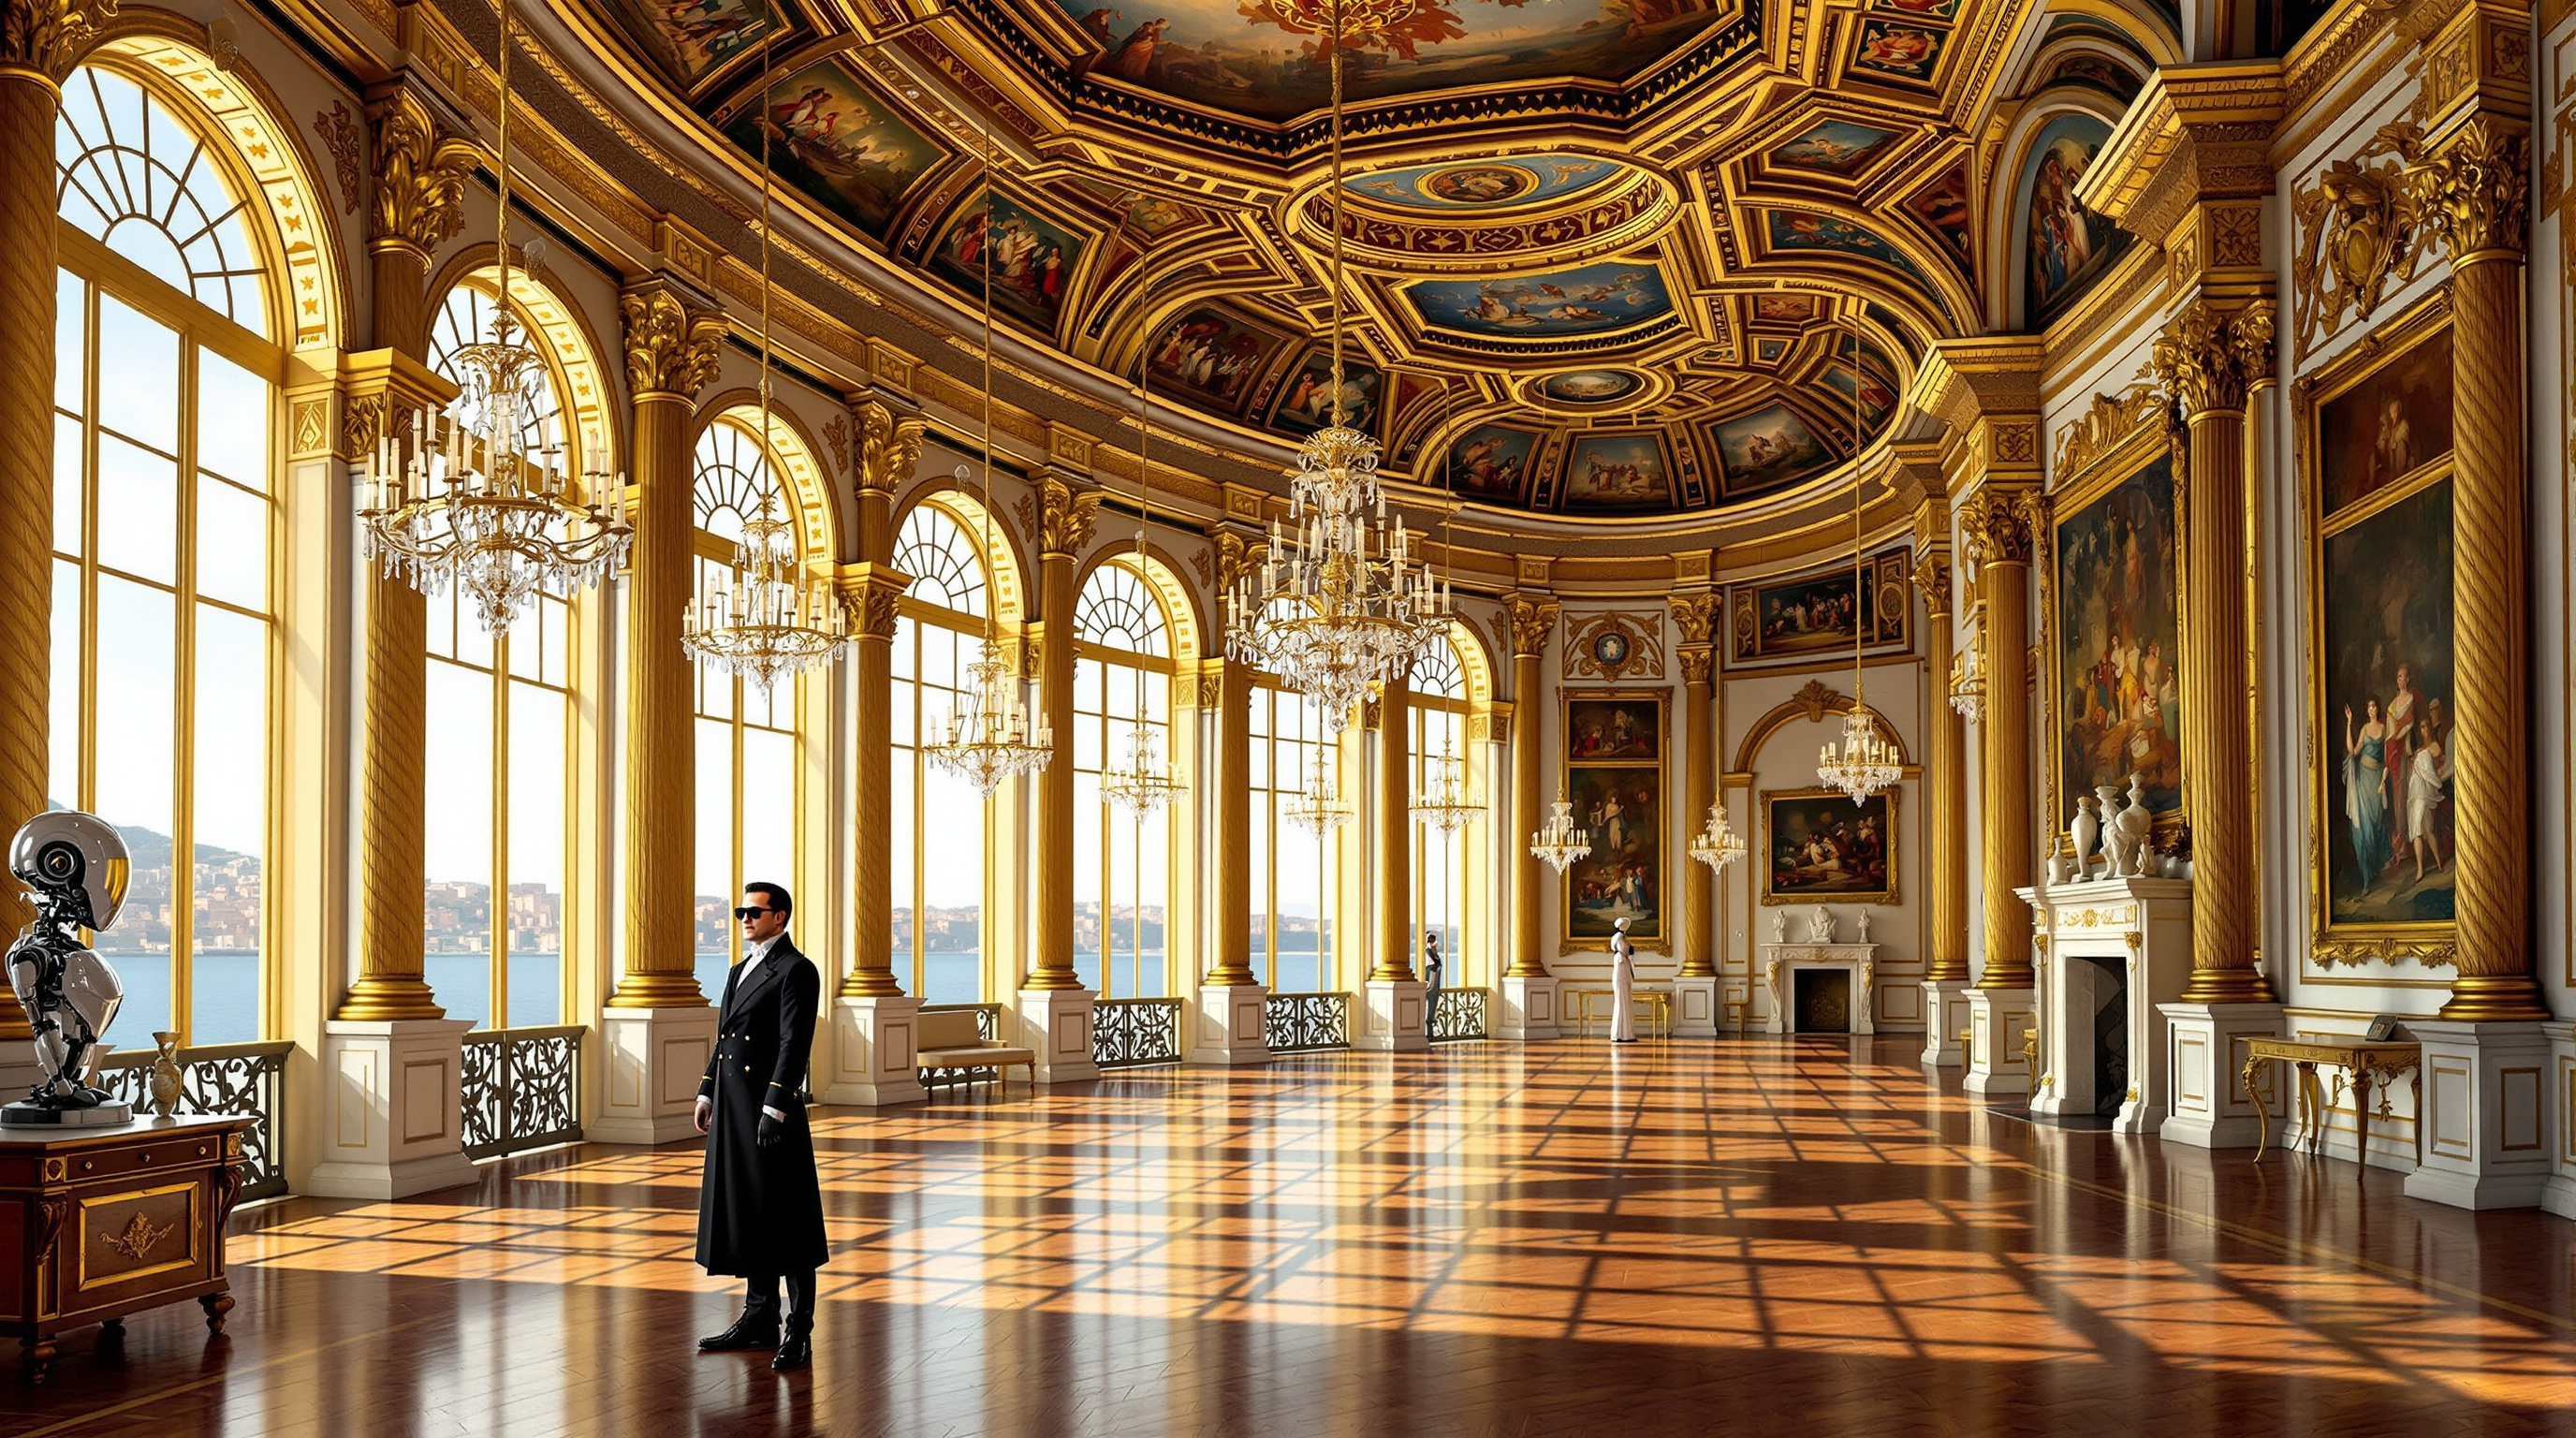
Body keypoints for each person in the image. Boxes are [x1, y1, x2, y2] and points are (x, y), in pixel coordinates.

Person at [695, 882, 828, 1372]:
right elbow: (724, 1036)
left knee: (788, 1215)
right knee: (750, 1209)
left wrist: (777, 1103)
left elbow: (796, 1042)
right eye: (740, 911)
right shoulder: (738, 969)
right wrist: (707, 1088)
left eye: (755, 912)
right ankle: (758, 1318)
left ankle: (800, 1330)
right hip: (733, 1105)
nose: (745, 919)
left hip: (769, 1107)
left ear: (781, 917)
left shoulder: (797, 969)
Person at [1608, 917, 1637, 1044]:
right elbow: (1625, 949)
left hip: (1623, 974)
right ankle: (1621, 1033)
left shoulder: (1621, 941)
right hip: (1621, 976)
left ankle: (1625, 1033)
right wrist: (1629, 950)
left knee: (1624, 1001)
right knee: (1622, 1001)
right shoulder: (1620, 942)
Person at [1423, 932, 1444, 1034]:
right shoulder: (1428, 953)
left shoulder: (1433, 953)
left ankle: (1431, 1021)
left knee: (1433, 1001)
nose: (1435, 943)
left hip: (1434, 989)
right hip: (1431, 986)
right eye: (1432, 940)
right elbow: (1432, 966)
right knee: (1430, 1000)